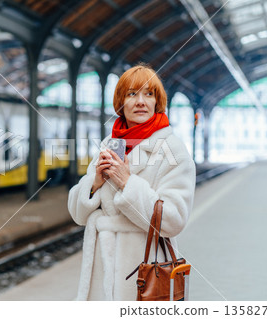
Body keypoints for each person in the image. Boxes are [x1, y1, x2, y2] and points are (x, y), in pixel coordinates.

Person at [68, 64, 196, 300]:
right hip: (102, 274)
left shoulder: (173, 150)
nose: (141, 101)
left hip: (145, 270)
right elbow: (77, 215)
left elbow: (175, 219)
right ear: (120, 103)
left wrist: (128, 183)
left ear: (157, 102)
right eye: (132, 94)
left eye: (149, 94)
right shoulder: (110, 143)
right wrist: (94, 183)